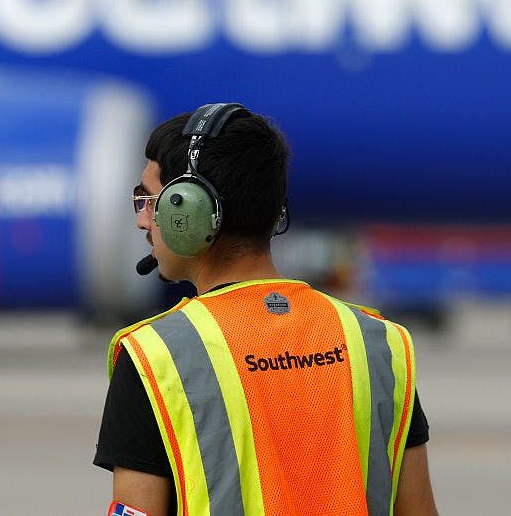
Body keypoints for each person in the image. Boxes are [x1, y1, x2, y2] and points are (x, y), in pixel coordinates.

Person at [94, 103, 438, 516]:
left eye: (150, 200)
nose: (142, 221)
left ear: (188, 208)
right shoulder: (380, 344)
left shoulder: (156, 358)